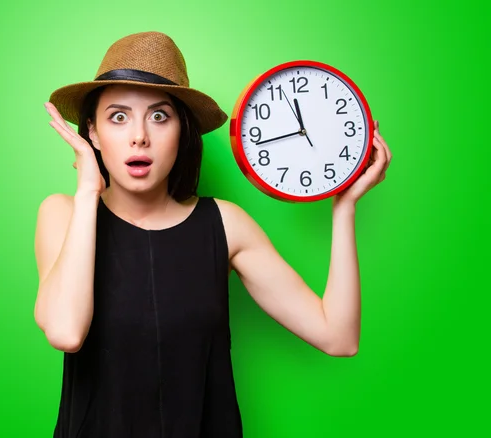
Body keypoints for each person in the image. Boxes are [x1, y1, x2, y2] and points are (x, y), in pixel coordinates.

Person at [34, 31, 392, 437]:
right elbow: (66, 331)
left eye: (159, 116)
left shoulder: (225, 223)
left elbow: (338, 337)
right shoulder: (63, 213)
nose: (139, 136)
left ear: (182, 131)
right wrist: (87, 192)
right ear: (92, 134)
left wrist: (344, 208)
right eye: (118, 117)